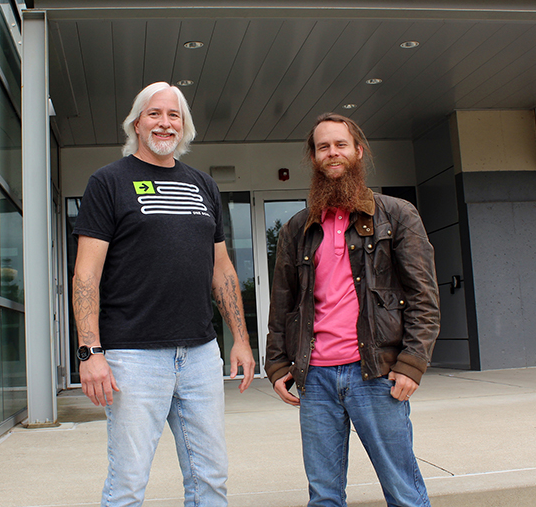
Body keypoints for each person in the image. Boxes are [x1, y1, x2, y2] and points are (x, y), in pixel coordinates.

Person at [72, 81, 255, 507]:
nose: (164, 122)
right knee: (128, 484)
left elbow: (223, 270)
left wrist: (241, 341)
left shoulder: (204, 185)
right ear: (137, 123)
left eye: (174, 115)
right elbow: (86, 274)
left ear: (184, 128)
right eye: (155, 113)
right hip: (132, 357)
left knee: (210, 477)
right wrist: (89, 350)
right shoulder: (108, 183)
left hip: (200, 356)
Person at [265, 113, 440, 507]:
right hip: (316, 380)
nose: (333, 153)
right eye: (323, 147)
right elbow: (283, 302)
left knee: (403, 491)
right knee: (324, 495)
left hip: (376, 376)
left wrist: (412, 362)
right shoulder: (297, 228)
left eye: (340, 144)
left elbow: (424, 296)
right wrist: (276, 364)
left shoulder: (397, 215)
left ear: (358, 151)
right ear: (313, 157)